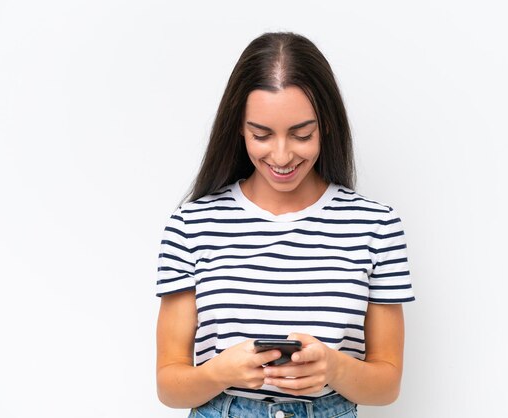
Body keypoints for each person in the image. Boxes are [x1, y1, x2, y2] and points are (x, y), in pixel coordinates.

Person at [155, 32, 415, 418]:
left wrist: (333, 367)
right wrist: (220, 372)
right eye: (261, 135)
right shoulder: (192, 224)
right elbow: (168, 387)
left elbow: (387, 385)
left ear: (326, 125)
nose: (281, 155)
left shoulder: (376, 226)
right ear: (239, 129)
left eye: (301, 134)